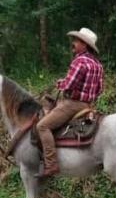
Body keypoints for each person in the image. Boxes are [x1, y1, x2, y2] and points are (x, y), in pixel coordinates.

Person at [36, 27, 104, 178]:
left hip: (72, 104)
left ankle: (50, 164)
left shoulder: (79, 61)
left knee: (42, 126)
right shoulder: (98, 65)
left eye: (76, 41)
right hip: (87, 105)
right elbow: (99, 89)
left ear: (84, 45)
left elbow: (68, 85)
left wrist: (60, 84)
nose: (73, 43)